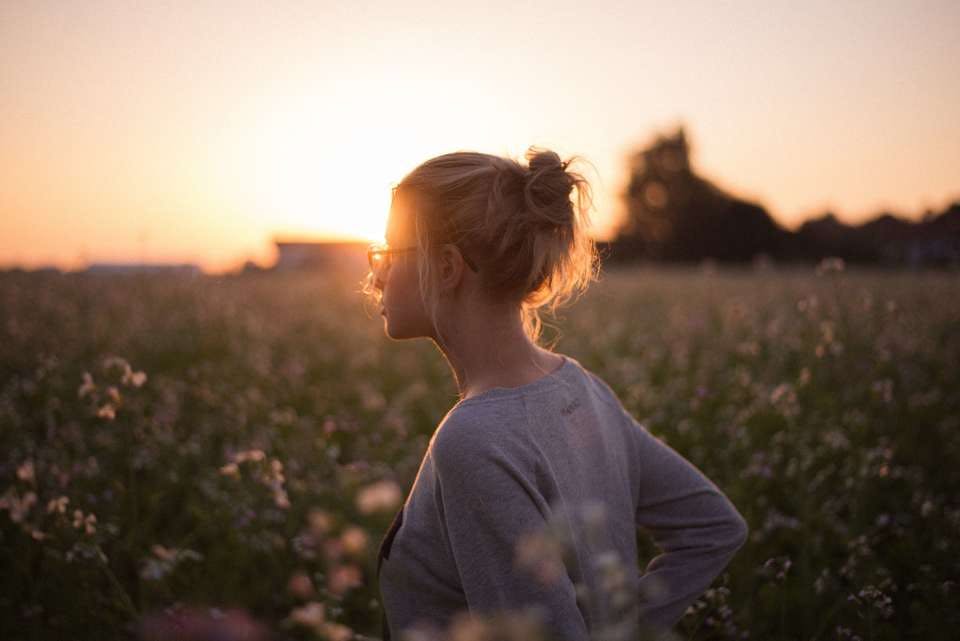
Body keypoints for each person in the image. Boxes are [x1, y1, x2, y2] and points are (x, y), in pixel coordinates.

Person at [363, 148, 749, 641]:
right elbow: (714, 528)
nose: (375, 275)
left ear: (445, 266)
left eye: (390, 254)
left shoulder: (473, 440)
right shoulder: (582, 389)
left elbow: (714, 529)